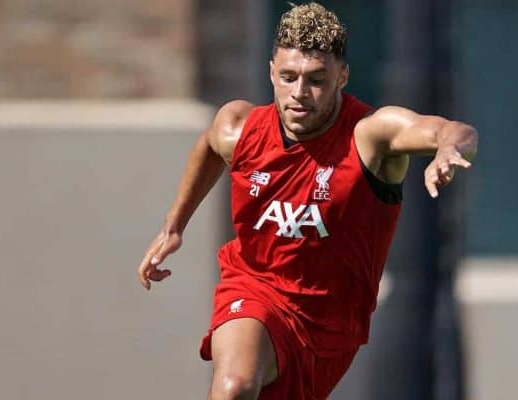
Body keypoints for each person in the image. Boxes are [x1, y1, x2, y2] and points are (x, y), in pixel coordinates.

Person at [136, 2, 478, 399]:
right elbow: (210, 146)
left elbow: (453, 130)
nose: (299, 94)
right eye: (288, 77)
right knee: (235, 386)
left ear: (342, 76)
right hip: (253, 285)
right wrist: (173, 226)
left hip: (328, 329)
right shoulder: (241, 128)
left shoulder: (369, 135)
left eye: (316, 79)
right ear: (271, 74)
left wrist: (449, 150)